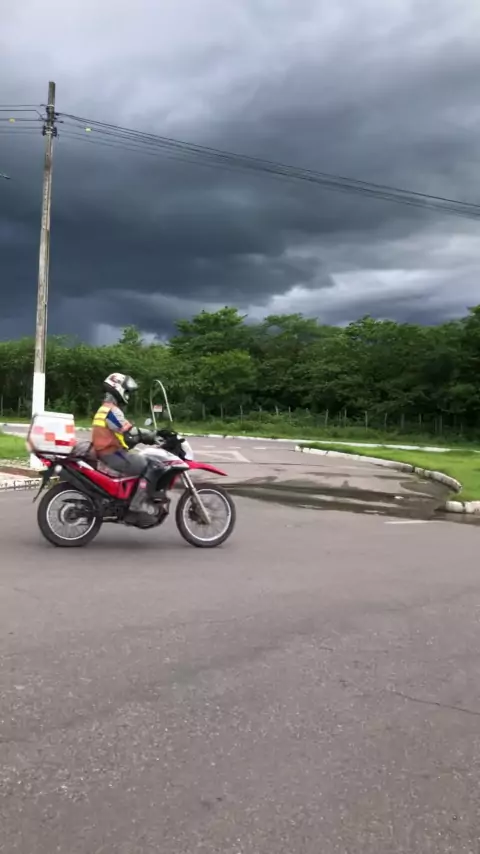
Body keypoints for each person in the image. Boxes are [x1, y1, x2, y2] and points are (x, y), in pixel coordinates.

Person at [91, 372, 157, 517]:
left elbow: (124, 433)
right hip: (111, 453)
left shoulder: (105, 409)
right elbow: (128, 431)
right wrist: (151, 435)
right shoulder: (111, 411)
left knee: (138, 459)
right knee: (148, 465)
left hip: (107, 451)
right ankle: (136, 505)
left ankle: (128, 496)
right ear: (118, 388)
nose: (128, 395)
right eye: (126, 391)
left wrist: (140, 436)